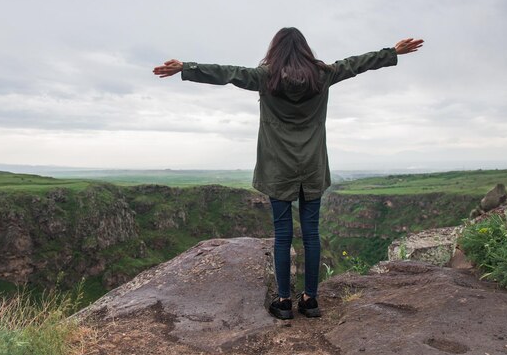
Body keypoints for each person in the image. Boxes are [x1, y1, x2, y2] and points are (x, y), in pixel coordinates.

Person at [153, 28, 423, 320]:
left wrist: (186, 68)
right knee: (312, 234)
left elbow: (228, 73)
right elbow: (356, 64)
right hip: (313, 167)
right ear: (305, 50)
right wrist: (392, 52)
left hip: (278, 168)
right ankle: (310, 300)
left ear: (275, 50)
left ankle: (284, 303)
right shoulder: (324, 74)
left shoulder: (265, 77)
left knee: (282, 237)